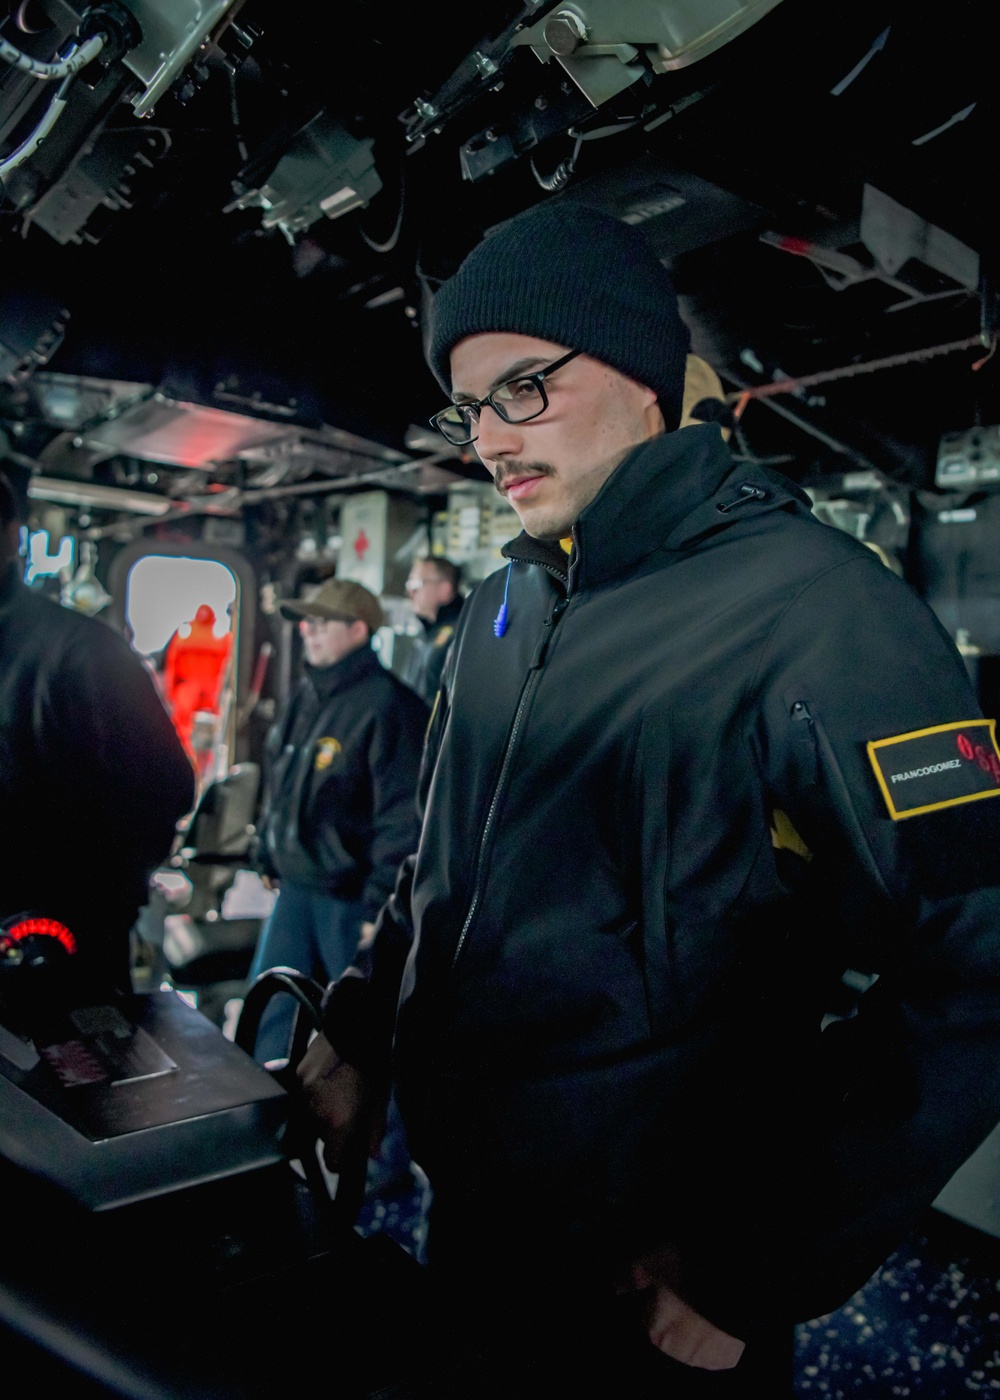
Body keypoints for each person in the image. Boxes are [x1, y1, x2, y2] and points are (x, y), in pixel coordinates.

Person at [297, 201, 1000, 1396]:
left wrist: (758, 1261)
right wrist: (362, 1027)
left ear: (640, 373)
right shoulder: (499, 611)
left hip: (657, 1276)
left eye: (525, 387)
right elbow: (441, 868)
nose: (490, 439)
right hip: (468, 1213)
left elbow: (980, 955)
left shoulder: (820, 611)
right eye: (471, 407)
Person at [0, 465, 195, 993]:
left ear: (11, 536)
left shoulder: (82, 653)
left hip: (60, 945)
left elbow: (166, 785)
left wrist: (93, 896)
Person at [249, 577, 427, 1065]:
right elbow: (281, 783)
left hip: (351, 901)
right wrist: (267, 847)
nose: (308, 630)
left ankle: (356, 1137)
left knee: (354, 1035)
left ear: (358, 629)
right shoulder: (305, 697)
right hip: (296, 890)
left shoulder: (391, 708)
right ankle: (264, 1121)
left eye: (322, 622)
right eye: (306, 621)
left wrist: (380, 908)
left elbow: (402, 821)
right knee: (271, 1013)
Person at [162, 603, 233, 771]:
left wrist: (171, 696)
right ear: (213, 620)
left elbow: (171, 671)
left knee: (182, 737)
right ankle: (202, 772)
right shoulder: (223, 641)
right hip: (210, 696)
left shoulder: (181, 639)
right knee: (210, 740)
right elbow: (227, 671)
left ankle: (183, 770)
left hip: (186, 695)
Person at [401, 557, 464, 705]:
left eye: (416, 584)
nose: (410, 592)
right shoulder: (426, 633)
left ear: (444, 588)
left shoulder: (462, 634)